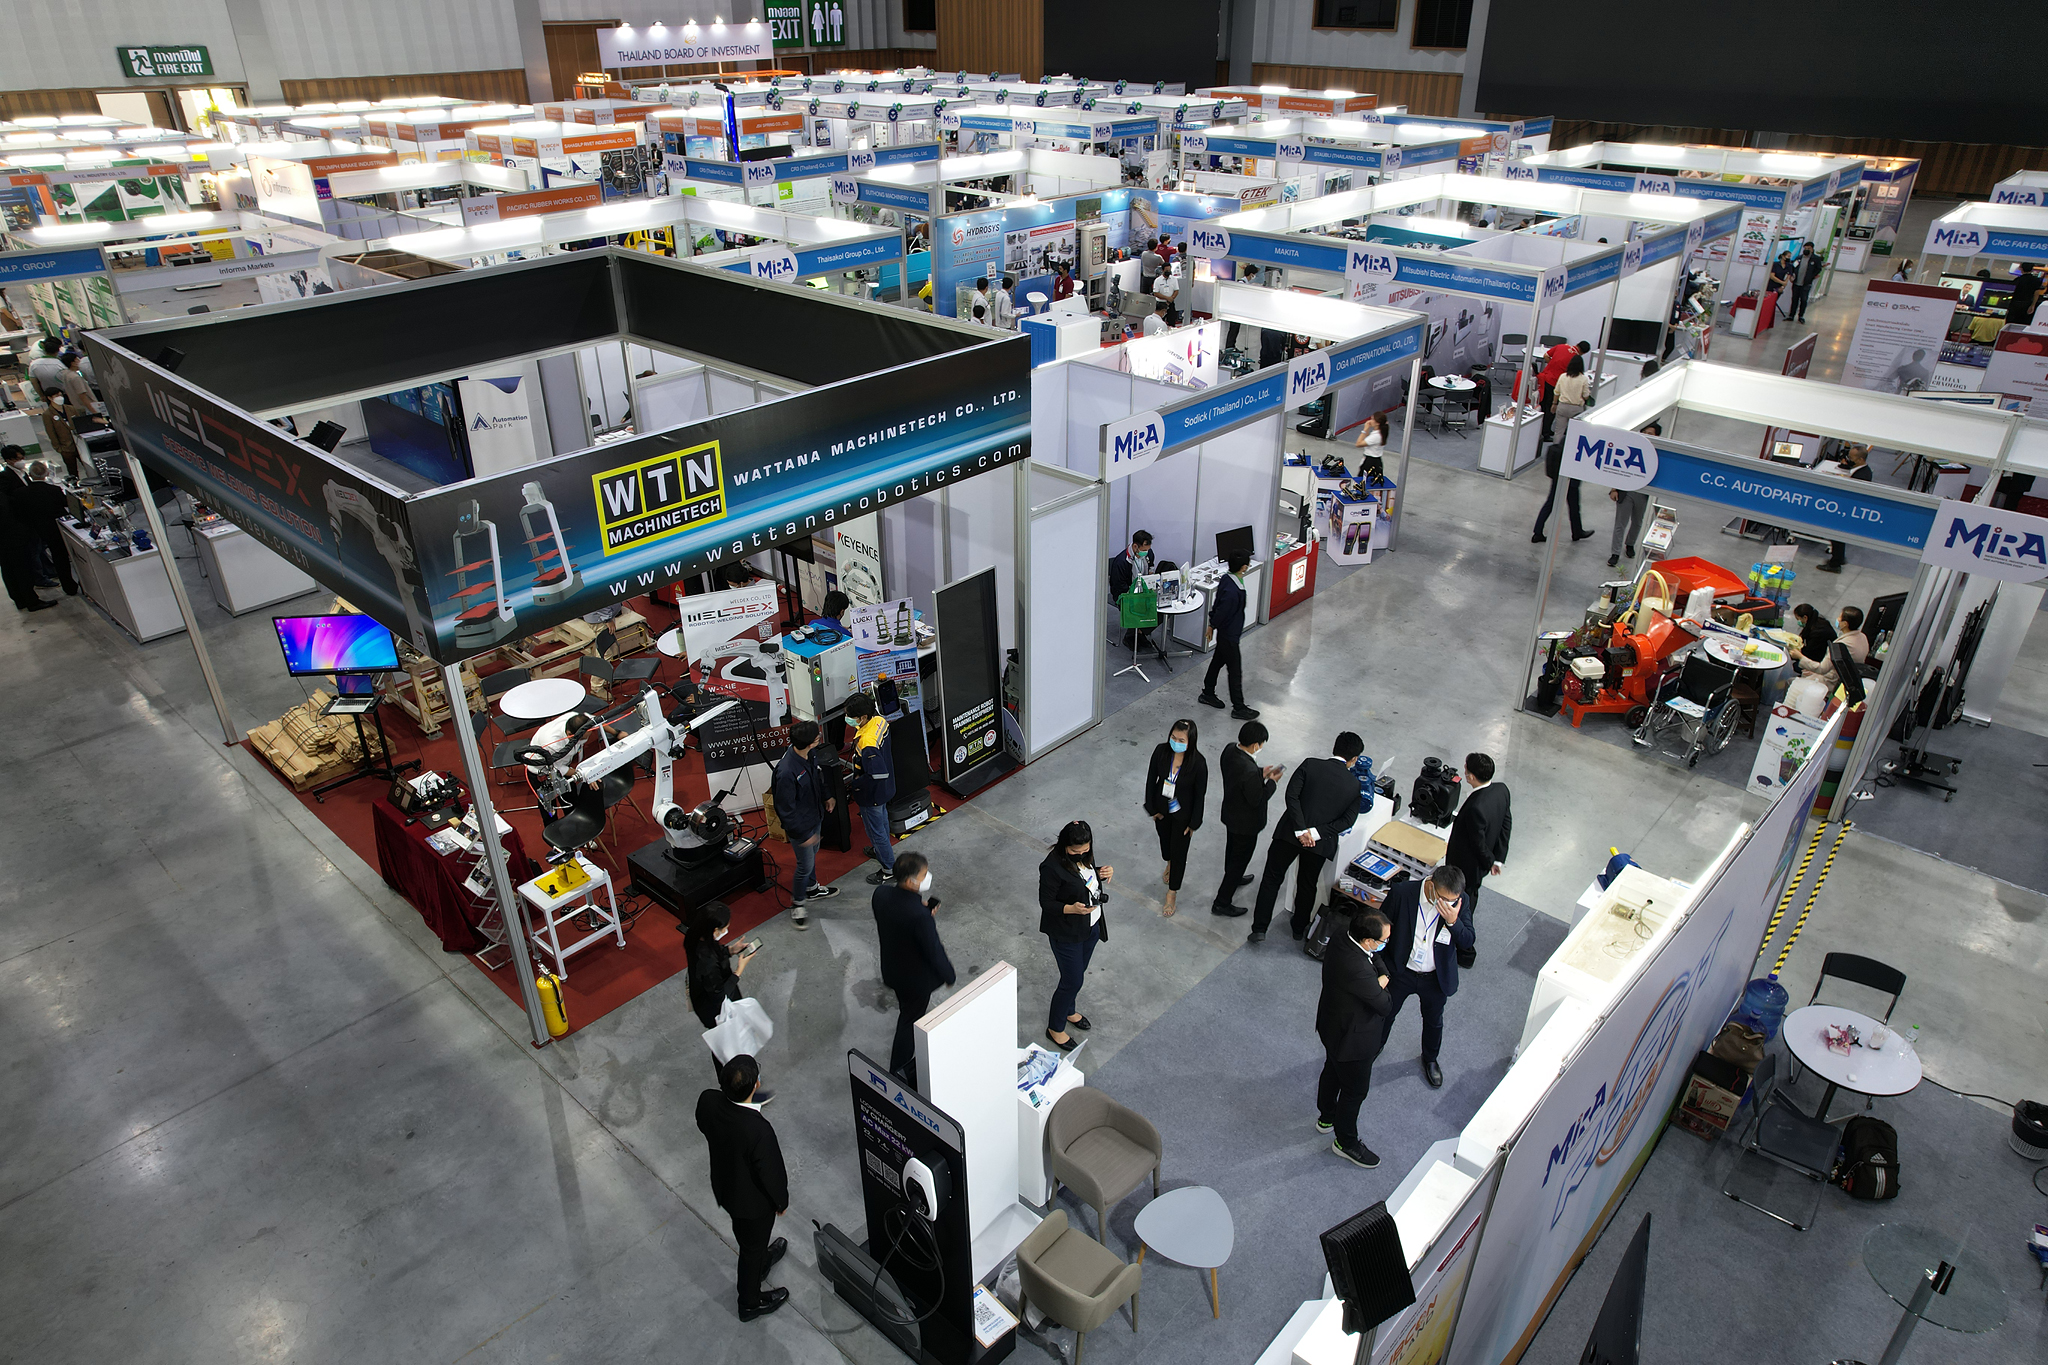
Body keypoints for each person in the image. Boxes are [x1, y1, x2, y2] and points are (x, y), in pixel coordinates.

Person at [695, 1054, 791, 1321]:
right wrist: (781, 1202)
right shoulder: (759, 1130)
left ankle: (761, 1260)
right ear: (755, 1085)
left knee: (749, 1240)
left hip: (725, 1187)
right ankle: (749, 1302)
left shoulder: (708, 1100)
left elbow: (703, 1124)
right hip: (752, 1204)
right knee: (750, 1249)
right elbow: (771, 1173)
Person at [1248, 731, 1368, 944]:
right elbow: (1347, 821)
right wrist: (1314, 834)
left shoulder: (1310, 764)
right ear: (1354, 759)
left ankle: (1259, 929)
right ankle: (1298, 928)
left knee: (1272, 879)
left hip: (1289, 834)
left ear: (1334, 747)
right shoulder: (1354, 785)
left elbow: (1291, 796)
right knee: (1307, 884)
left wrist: (1301, 830)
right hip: (1319, 844)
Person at [1379, 865, 1473, 1089]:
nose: (1448, 905)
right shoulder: (1402, 893)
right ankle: (1375, 1046)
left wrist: (1453, 921)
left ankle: (1430, 1059)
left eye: (1453, 901)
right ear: (1431, 885)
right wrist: (1381, 970)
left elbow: (1468, 940)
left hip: (1434, 977)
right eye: (1444, 899)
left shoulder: (1460, 902)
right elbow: (1379, 929)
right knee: (1385, 1013)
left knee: (1433, 1021)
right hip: (1401, 971)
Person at [1316, 909, 1393, 1168]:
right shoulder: (1358, 969)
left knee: (1332, 1069)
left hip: (1332, 1027)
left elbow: (1375, 958)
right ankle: (1345, 1142)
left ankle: (1326, 1116)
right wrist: (1382, 982)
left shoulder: (1344, 935)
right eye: (1383, 940)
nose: (1385, 944)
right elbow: (1385, 1005)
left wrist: (1381, 976)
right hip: (1354, 1040)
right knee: (1354, 1091)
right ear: (1368, 941)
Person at [872, 852, 953, 1085]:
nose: (928, 877)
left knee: (906, 1009)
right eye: (924, 875)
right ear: (910, 881)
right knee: (909, 1020)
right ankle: (897, 1070)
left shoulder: (881, 894)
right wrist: (948, 974)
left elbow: (898, 917)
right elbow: (933, 949)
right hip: (915, 980)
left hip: (893, 969)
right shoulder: (919, 917)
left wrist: (921, 908)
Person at [1039, 819, 1112, 1050]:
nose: (1080, 854)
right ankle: (1055, 1028)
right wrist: (1071, 909)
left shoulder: (1085, 856)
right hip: (1066, 932)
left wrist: (1101, 873)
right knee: (1072, 981)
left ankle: (1069, 1010)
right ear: (1064, 846)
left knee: (1077, 973)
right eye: (1075, 851)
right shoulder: (1051, 867)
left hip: (1090, 926)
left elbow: (1084, 879)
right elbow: (1046, 903)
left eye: (1085, 850)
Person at [1212, 720, 1281, 917]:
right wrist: (1271, 783)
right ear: (1255, 745)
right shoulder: (1249, 771)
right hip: (1247, 824)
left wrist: (1261, 773)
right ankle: (1222, 902)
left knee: (1232, 850)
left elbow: (1240, 777)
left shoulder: (1230, 750)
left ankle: (1234, 875)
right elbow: (1257, 799)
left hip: (1231, 814)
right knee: (1240, 859)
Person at [1443, 753, 1510, 955]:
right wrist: (1498, 859)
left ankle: (1464, 947)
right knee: (1471, 894)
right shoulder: (1501, 790)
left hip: (1466, 866)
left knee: (1463, 901)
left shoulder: (1475, 807)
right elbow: (1506, 823)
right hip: (1479, 866)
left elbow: (1478, 844)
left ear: (1471, 776)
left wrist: (1490, 861)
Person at [773, 719, 838, 926]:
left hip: (815, 816)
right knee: (805, 865)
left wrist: (827, 796)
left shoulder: (810, 754)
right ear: (810, 742)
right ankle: (798, 904)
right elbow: (785, 810)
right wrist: (803, 835)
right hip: (802, 828)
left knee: (812, 856)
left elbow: (818, 777)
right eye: (817, 736)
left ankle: (811, 888)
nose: (819, 737)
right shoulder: (786, 771)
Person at [685, 902, 760, 1078]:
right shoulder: (707, 963)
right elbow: (719, 995)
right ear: (714, 930)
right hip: (715, 1008)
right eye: (725, 928)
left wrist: (730, 951)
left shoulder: (694, 937)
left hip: (703, 996)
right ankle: (734, 1081)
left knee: (726, 1042)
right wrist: (739, 971)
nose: (727, 931)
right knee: (726, 1044)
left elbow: (713, 950)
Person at [1143, 718, 1208, 917]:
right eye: (1173, 737)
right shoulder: (1161, 751)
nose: (1175, 742)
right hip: (1161, 810)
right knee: (1166, 845)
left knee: (1179, 853)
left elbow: (1200, 795)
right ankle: (1168, 862)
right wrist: (1151, 807)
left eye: (1181, 740)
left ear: (1191, 742)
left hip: (1183, 816)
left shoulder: (1198, 763)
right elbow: (1151, 779)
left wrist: (1194, 823)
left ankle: (1172, 892)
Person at [1196, 550, 1258, 719]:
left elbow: (1217, 604)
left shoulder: (1226, 579)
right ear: (1244, 567)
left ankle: (1208, 693)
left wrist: (1212, 624)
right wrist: (1212, 624)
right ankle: (1238, 707)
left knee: (1217, 662)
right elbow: (1223, 611)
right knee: (1235, 671)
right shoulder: (1234, 591)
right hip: (1229, 635)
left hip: (1226, 633)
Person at [844, 691, 896, 885]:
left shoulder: (868, 742)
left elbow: (877, 774)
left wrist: (856, 784)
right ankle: (880, 850)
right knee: (882, 821)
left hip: (872, 794)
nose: (848, 719)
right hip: (886, 789)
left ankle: (888, 869)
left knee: (876, 831)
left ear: (863, 717)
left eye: (851, 716)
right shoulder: (880, 721)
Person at [1607, 421, 1660, 568]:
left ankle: (1630, 544)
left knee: (1637, 522)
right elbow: (1619, 469)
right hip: (1626, 491)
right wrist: (1614, 489)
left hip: (1643, 493)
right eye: (1645, 432)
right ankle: (1615, 553)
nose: (1646, 435)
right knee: (1620, 523)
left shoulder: (1656, 453)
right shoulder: (1631, 447)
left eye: (1650, 434)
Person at [1817, 443, 1874, 571]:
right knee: (1838, 535)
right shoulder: (1861, 470)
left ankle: (1835, 564)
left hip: (1847, 510)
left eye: (1851, 458)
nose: (1848, 459)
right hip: (1847, 509)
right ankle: (1839, 557)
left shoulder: (1862, 476)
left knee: (1837, 534)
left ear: (1860, 460)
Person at [1532, 435, 1592, 544]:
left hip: (1558, 475)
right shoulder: (1578, 439)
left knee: (1551, 503)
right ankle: (1577, 531)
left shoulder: (1567, 437)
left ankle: (1538, 531)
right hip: (1569, 478)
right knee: (1573, 506)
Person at [1797, 604, 1870, 689]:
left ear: (1845, 624)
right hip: (1844, 676)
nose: (1837, 619)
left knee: (1793, 682)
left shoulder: (1841, 646)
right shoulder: (1863, 637)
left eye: (1839, 617)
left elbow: (1822, 669)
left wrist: (1800, 657)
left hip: (1833, 682)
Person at [1790, 602, 1837, 667]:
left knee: (1795, 666)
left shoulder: (1817, 632)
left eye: (1798, 619)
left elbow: (1810, 652)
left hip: (1822, 660)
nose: (1798, 622)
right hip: (1821, 653)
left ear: (1805, 617)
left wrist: (1795, 654)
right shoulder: (1818, 622)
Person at [1788, 242, 1825, 323]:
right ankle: (1791, 315)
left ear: (1812, 249)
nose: (1807, 250)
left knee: (1804, 300)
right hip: (1796, 282)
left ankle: (1801, 316)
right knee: (1794, 299)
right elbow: (1793, 267)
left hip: (1806, 283)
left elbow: (1818, 269)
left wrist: (1811, 276)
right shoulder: (1799, 258)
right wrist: (1792, 276)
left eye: (1809, 248)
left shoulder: (1816, 259)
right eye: (1805, 248)